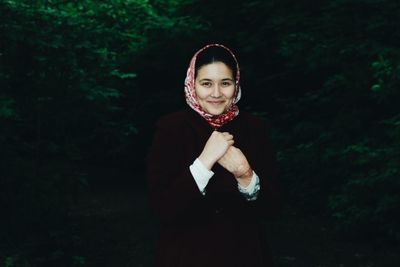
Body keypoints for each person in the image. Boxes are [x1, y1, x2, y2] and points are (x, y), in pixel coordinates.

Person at [146, 43, 282, 267]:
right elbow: (162, 209)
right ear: (192, 84)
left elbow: (272, 209)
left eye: (225, 83)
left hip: (246, 256)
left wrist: (245, 174)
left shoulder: (255, 128)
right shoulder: (170, 129)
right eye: (206, 83)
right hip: (184, 257)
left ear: (236, 84)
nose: (217, 94)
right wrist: (204, 162)